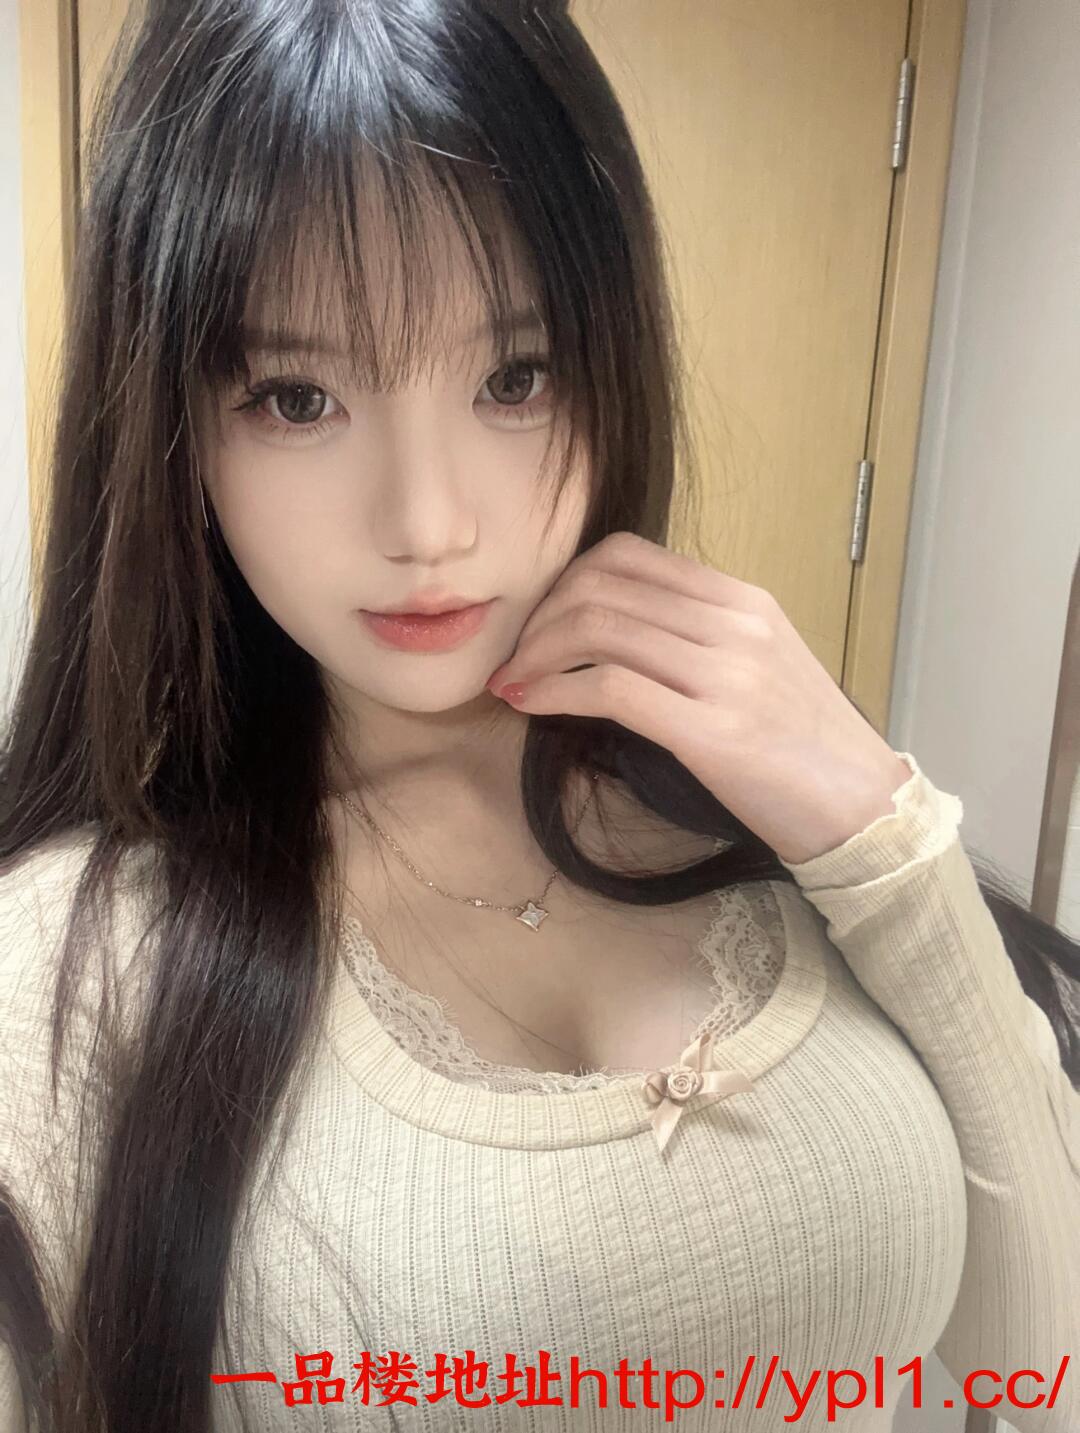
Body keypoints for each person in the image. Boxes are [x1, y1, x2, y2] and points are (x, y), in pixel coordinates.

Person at [1, 2, 1077, 1430]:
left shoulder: (793, 831)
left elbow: (1038, 1363)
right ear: (173, 427)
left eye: (515, 377)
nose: (428, 522)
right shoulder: (74, 962)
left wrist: (879, 829)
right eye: (297, 397)